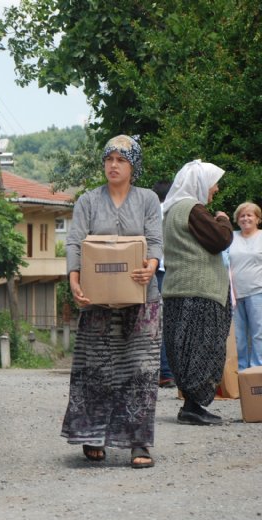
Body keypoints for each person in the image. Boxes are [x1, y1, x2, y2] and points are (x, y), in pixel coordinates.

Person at [62, 135, 162, 469]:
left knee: (141, 371)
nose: (113, 165)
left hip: (142, 299)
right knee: (97, 370)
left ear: (133, 166)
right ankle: (92, 436)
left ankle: (138, 442)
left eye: (121, 160)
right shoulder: (88, 201)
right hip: (98, 301)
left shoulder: (148, 199)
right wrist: (74, 280)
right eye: (109, 159)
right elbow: (75, 242)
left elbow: (155, 240)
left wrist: (150, 266)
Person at [161, 160, 233, 425]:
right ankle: (192, 408)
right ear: (200, 183)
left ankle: (190, 406)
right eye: (213, 183)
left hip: (177, 289)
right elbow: (220, 239)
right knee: (203, 348)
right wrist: (223, 220)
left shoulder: (171, 210)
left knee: (184, 350)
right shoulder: (193, 209)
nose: (215, 189)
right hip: (199, 292)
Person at [227, 202, 262, 371]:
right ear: (237, 219)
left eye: (250, 215)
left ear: (258, 219)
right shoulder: (231, 237)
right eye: (242, 215)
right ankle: (240, 371)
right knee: (238, 337)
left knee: (258, 334)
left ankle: (257, 370)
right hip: (234, 294)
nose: (246, 218)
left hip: (258, 291)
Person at [152, 180, 175, 388]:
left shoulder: (150, 211)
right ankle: (167, 372)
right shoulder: (170, 211)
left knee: (155, 322)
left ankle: (163, 372)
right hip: (166, 270)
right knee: (167, 322)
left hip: (152, 270)